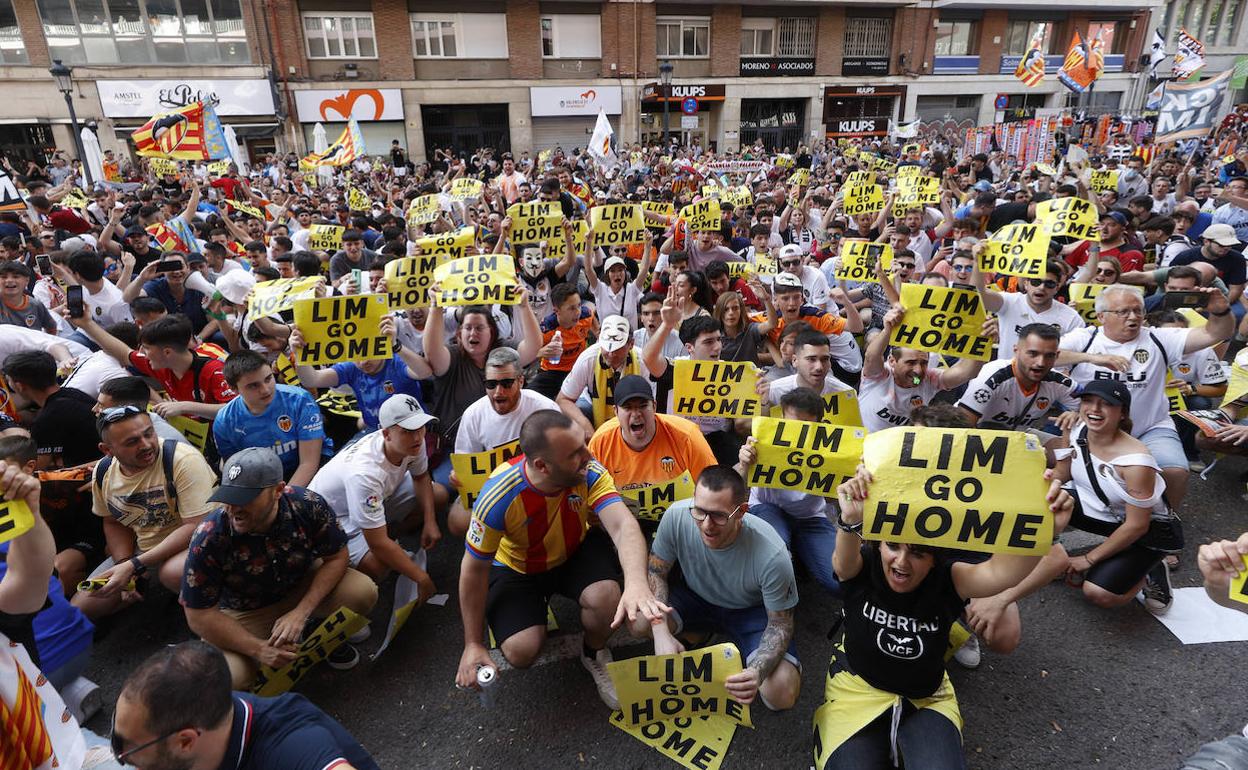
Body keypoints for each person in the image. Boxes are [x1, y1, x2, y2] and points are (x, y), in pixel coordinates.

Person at [815, 458, 1072, 769]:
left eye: (918, 553)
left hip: (926, 697)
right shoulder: (864, 563)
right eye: (893, 546)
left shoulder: (951, 578)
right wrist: (850, 518)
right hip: (858, 687)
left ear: (935, 559)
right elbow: (842, 565)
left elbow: (1002, 573)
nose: (901, 562)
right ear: (879, 543)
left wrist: (1046, 527)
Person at [455, 410, 667, 709]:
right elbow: (474, 570)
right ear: (542, 465)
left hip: (572, 550)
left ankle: (594, 652)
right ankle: (522, 614)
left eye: (583, 444)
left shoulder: (587, 470)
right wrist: (473, 643)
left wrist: (636, 584)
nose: (588, 455)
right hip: (518, 568)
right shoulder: (498, 494)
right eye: (574, 453)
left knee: (608, 597)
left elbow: (622, 526)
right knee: (521, 652)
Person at [181, 448, 379, 687]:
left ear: (278, 490)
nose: (233, 509)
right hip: (245, 610)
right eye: (228, 497)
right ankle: (270, 653)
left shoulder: (307, 504)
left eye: (244, 499)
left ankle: (313, 628)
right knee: (229, 676)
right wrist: (258, 649)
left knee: (362, 592)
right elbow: (198, 615)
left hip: (301, 586)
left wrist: (302, 612)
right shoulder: (209, 536)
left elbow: (337, 556)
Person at [630, 465, 801, 711]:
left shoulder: (772, 554)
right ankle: (698, 633)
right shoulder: (676, 516)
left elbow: (781, 624)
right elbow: (657, 571)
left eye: (719, 516)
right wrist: (660, 632)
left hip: (751, 612)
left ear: (741, 511)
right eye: (700, 511)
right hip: (695, 599)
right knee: (638, 620)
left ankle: (707, 639)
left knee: (780, 694)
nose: (707, 524)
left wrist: (756, 672)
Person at [1058, 283, 1233, 510]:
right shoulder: (1085, 338)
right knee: (1058, 463)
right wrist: (1091, 359)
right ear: (1101, 316)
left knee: (1176, 471)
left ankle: (1163, 523)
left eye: (1138, 311)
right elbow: (1045, 355)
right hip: (1092, 426)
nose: (1133, 317)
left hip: (1150, 426)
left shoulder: (1160, 338)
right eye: (1122, 312)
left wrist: (1220, 311)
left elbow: (1215, 332)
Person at [112, 641, 380, 769]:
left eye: (127, 751)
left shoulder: (290, 746)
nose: (123, 756)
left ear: (185, 741)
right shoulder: (214, 719)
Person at [71, 405, 217, 620]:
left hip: (196, 540)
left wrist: (136, 565)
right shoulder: (103, 473)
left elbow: (195, 526)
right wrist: (124, 565)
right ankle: (147, 592)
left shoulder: (181, 459)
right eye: (132, 442)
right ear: (107, 450)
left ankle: (219, 613)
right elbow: (113, 522)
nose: (146, 444)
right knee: (83, 605)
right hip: (144, 553)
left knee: (173, 573)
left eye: (148, 433)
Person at [1051, 379, 1178, 613]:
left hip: (1145, 533)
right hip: (1103, 513)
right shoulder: (1078, 427)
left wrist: (1087, 559)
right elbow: (1063, 472)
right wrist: (1044, 486)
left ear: (1122, 413)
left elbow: (1137, 526)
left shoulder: (1137, 462)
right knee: (1044, 502)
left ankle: (1151, 568)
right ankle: (1050, 560)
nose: (1094, 409)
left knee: (1098, 593)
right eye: (1088, 401)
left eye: (1106, 404)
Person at [308, 394, 438, 601]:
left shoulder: (414, 441)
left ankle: (392, 540)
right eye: (407, 431)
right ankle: (347, 587)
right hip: (334, 518)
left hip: (371, 498)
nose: (417, 437)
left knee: (436, 494)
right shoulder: (364, 473)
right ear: (386, 434)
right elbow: (377, 542)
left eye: (420, 427)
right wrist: (421, 578)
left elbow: (421, 477)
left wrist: (430, 522)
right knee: (377, 564)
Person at [735, 387, 842, 595]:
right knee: (772, 561)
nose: (797, 432)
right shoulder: (762, 440)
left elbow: (833, 498)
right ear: (781, 417)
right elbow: (736, 489)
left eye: (806, 426)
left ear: (819, 424)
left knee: (837, 582)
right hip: (767, 508)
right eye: (791, 425)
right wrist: (744, 465)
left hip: (811, 517)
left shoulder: (833, 448)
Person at [445, 346, 557, 538]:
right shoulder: (473, 414)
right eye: (491, 384)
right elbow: (466, 462)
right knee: (457, 521)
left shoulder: (545, 408)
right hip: (495, 489)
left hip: (538, 484)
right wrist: (460, 478)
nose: (498, 392)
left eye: (506, 383)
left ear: (521, 381)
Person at [588, 374, 715, 528]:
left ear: (654, 406)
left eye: (643, 406)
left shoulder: (687, 436)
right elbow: (589, 506)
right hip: (623, 526)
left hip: (681, 525)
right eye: (628, 408)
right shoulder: (600, 443)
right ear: (615, 411)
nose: (636, 414)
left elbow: (713, 488)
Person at [70, 312, 237, 421]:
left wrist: (183, 406)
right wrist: (87, 324)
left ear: (167, 352)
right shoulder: (161, 365)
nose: (142, 352)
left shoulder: (214, 371)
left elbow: (235, 409)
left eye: (147, 348)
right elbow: (123, 353)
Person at [214, 350, 331, 487]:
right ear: (234, 389)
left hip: (309, 467)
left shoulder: (300, 401)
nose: (265, 390)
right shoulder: (224, 422)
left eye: (268, 379)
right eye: (253, 385)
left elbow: (309, 463)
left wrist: (282, 501)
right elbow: (239, 472)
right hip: (264, 479)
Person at [859, 305, 983, 432]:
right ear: (892, 361)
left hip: (898, 447)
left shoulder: (927, 380)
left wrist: (981, 339)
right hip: (864, 444)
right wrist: (887, 330)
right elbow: (871, 356)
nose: (918, 370)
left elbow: (966, 372)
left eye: (923, 363)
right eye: (911, 363)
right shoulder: (879, 375)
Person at [957, 323, 1078, 444]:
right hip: (976, 433)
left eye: (1049, 356)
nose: (1041, 363)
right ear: (1016, 351)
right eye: (1033, 354)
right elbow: (961, 428)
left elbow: (1092, 406)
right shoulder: (993, 376)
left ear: (1056, 356)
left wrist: (1077, 415)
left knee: (1070, 450)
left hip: (1018, 435)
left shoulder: (1058, 381)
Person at [1, 350, 101, 469]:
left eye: (9, 380)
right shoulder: (75, 394)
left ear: (20, 386)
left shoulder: (47, 419)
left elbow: (35, 468)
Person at [974, 258, 1084, 359]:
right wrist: (977, 260)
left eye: (1049, 284)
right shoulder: (1009, 302)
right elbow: (978, 293)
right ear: (1026, 284)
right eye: (1036, 281)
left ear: (1057, 288)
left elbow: (1079, 352)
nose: (1041, 287)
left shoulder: (1072, 318)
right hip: (1006, 375)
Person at [556, 314, 648, 434]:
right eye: (606, 346)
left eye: (617, 348)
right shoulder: (588, 359)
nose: (611, 354)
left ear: (631, 344)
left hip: (632, 407)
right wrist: (584, 424)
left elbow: (651, 403)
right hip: (592, 404)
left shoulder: (643, 361)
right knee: (581, 410)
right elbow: (563, 400)